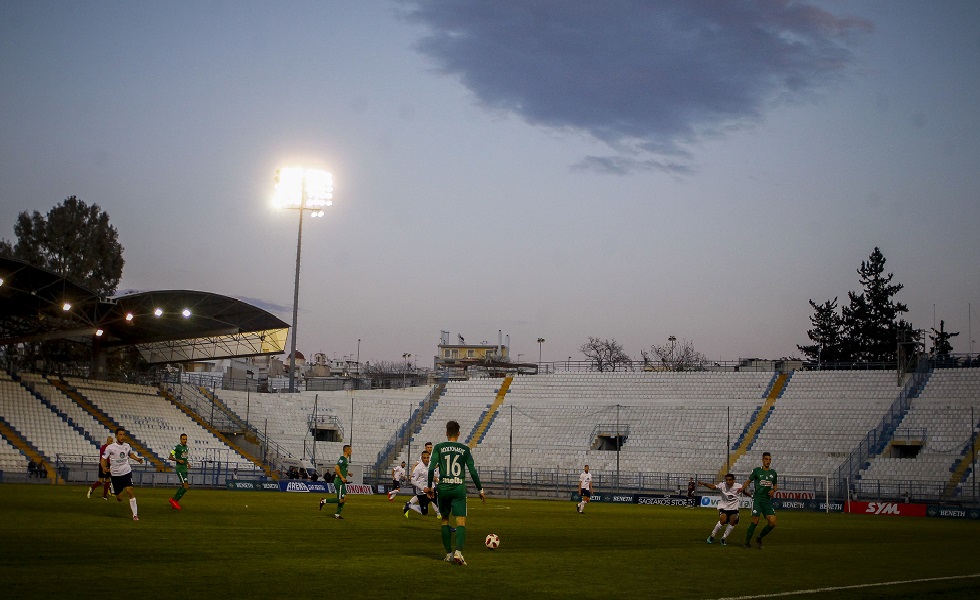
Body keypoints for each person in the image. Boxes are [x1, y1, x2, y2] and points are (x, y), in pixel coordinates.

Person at [426, 420, 485, 566]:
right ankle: (458, 552)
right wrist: (480, 489)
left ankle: (448, 554)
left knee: (445, 519)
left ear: (446, 433)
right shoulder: (464, 449)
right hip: (458, 489)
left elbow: (431, 469)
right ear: (458, 433)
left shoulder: (439, 447)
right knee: (461, 521)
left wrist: (429, 487)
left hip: (444, 488)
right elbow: (472, 471)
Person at [101, 427, 144, 521]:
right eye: (120, 435)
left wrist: (137, 459)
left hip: (126, 472)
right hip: (116, 475)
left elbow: (130, 454)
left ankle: (135, 515)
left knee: (130, 491)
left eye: (123, 435)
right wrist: (104, 468)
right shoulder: (110, 447)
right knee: (120, 498)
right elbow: (103, 459)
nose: (122, 436)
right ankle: (113, 487)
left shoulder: (127, 446)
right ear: (116, 436)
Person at [742, 451, 778, 549]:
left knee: (773, 522)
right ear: (762, 460)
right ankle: (747, 542)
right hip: (757, 500)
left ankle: (759, 537)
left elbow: (775, 485)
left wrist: (773, 490)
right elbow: (748, 481)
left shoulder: (773, 473)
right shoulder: (757, 471)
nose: (768, 461)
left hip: (766, 501)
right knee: (755, 521)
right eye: (766, 459)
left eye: (769, 459)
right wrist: (742, 488)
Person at [698, 473, 743, 546]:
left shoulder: (738, 486)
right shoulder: (722, 485)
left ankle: (723, 538)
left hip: (734, 509)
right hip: (724, 508)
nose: (728, 481)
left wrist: (751, 496)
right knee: (723, 520)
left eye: (730, 480)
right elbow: (713, 487)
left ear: (733, 480)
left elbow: (744, 490)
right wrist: (704, 483)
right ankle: (712, 536)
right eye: (727, 480)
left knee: (733, 520)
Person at [319, 445, 352, 519]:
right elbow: (336, 468)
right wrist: (342, 477)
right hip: (339, 481)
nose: (351, 451)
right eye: (350, 450)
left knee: (344, 499)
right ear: (346, 450)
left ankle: (337, 514)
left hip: (341, 482)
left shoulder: (345, 460)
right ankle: (323, 501)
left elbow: (341, 470)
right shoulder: (342, 459)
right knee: (341, 499)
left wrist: (347, 473)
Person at [404, 450, 434, 518]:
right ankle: (409, 505)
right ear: (422, 458)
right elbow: (412, 480)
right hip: (421, 492)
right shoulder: (418, 468)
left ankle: (443, 519)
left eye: (427, 457)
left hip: (429, 490)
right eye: (424, 458)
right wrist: (423, 488)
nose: (426, 459)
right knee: (424, 512)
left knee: (438, 502)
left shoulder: (430, 465)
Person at [87, 435, 114, 499]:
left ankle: (92, 488)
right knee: (107, 480)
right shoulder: (106, 448)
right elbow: (103, 458)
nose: (111, 442)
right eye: (111, 441)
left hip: (101, 465)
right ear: (107, 440)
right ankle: (104, 496)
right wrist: (105, 467)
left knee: (100, 481)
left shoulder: (103, 447)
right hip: (105, 465)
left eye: (112, 441)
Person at [169, 433, 190, 510]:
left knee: (183, 486)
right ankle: (175, 500)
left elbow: (185, 457)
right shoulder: (176, 448)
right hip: (180, 469)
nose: (185, 441)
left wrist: (187, 463)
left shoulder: (187, 448)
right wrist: (178, 460)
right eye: (183, 439)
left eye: (186, 439)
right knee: (186, 486)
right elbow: (170, 457)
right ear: (180, 439)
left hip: (185, 468)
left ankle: (173, 500)